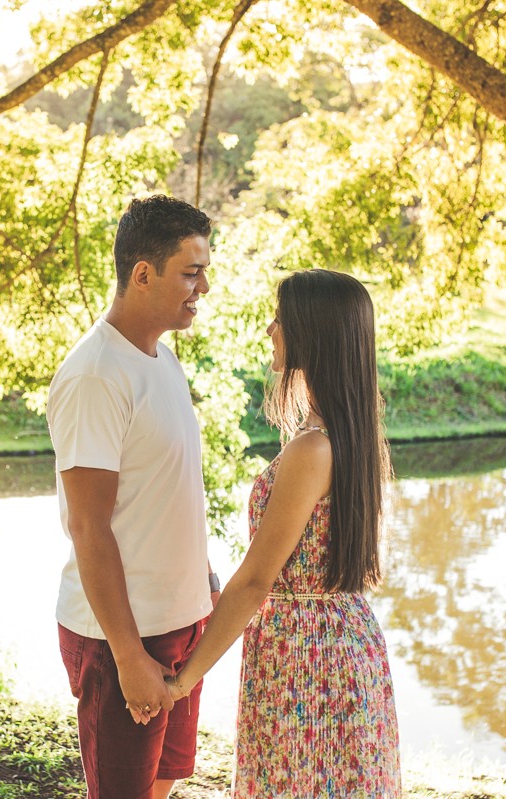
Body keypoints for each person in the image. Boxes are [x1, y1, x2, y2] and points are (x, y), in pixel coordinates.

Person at [166, 268, 402, 797]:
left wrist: (183, 680)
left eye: (281, 318)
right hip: (339, 640)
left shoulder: (312, 449)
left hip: (307, 656)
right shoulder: (347, 434)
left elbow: (255, 582)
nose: (271, 329)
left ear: (312, 331)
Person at [47, 195, 221, 799]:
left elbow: (166, 489)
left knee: (164, 782)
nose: (202, 287)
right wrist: (127, 656)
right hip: (123, 635)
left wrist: (201, 578)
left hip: (179, 622)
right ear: (142, 274)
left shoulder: (163, 360)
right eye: (191, 272)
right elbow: (88, 527)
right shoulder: (96, 376)